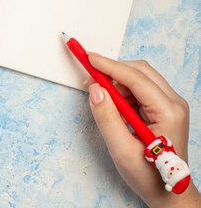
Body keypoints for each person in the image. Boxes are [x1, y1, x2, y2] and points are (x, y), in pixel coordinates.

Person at [86, 54, 201, 207]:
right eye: (177, 169)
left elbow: (149, 156)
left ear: (167, 181)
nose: (172, 169)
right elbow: (165, 144)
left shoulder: (160, 162)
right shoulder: (168, 151)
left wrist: (176, 202)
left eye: (172, 173)